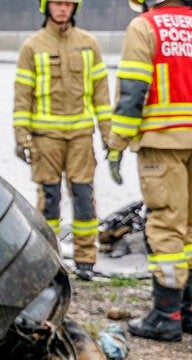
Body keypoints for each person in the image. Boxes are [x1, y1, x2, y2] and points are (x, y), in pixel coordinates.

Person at [106, 0, 192, 341]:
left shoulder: (146, 26)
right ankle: (188, 311)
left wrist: (117, 144)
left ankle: (166, 315)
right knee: (189, 227)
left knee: (167, 226)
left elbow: (132, 93)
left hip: (162, 140)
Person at [12, 0, 112, 282]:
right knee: (49, 200)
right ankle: (48, 257)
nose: (62, 8)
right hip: (46, 140)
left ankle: (85, 260)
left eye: (68, 3)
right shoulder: (32, 47)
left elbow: (101, 95)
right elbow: (23, 96)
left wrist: (109, 136)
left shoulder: (89, 44)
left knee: (83, 199)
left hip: (81, 138)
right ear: (46, 6)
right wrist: (22, 137)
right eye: (57, 3)